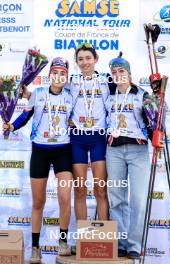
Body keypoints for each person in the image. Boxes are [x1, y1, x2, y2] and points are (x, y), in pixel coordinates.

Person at [3, 57, 73, 263]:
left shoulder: (71, 96)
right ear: (49, 74)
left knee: (64, 198)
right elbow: (25, 116)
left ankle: (62, 242)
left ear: (66, 77)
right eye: (55, 72)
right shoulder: (39, 94)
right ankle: (35, 248)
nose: (58, 76)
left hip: (63, 151)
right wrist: (12, 126)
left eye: (62, 73)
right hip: (40, 151)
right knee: (38, 202)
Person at [105, 54, 157, 259]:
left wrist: (157, 135)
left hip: (138, 151)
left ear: (129, 74)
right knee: (117, 199)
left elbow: (154, 120)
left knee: (137, 199)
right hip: (114, 151)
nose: (118, 75)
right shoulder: (108, 94)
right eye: (115, 73)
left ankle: (135, 244)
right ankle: (120, 243)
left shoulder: (142, 95)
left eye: (122, 72)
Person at [70, 43, 109, 221]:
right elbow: (50, 95)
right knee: (79, 190)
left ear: (96, 60)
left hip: (99, 139)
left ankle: (105, 238)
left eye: (88, 58)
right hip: (77, 139)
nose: (84, 62)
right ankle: (83, 236)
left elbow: (128, 90)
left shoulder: (107, 80)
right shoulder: (71, 81)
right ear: (76, 62)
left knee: (100, 189)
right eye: (80, 59)